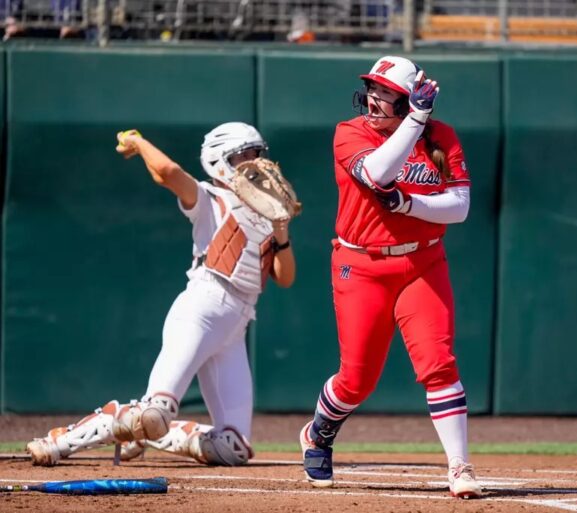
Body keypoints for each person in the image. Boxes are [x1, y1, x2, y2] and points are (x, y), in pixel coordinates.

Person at [26, 122, 296, 467]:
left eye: (257, 153)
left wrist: (281, 229)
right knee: (154, 412)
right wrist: (139, 143)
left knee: (233, 447)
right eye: (244, 155)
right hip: (203, 306)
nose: (254, 162)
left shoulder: (268, 214)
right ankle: (62, 440)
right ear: (219, 161)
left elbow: (285, 277)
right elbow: (167, 172)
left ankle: (147, 434)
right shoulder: (208, 197)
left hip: (236, 324)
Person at [298, 55, 481, 499]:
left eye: (386, 93)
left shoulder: (442, 137)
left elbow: (459, 207)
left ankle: (459, 466)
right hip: (360, 265)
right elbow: (378, 173)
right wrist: (415, 119)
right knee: (357, 379)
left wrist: (410, 205)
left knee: (439, 364)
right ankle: (319, 432)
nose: (375, 98)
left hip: (423, 262)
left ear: (408, 100)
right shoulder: (350, 132)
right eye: (373, 89)